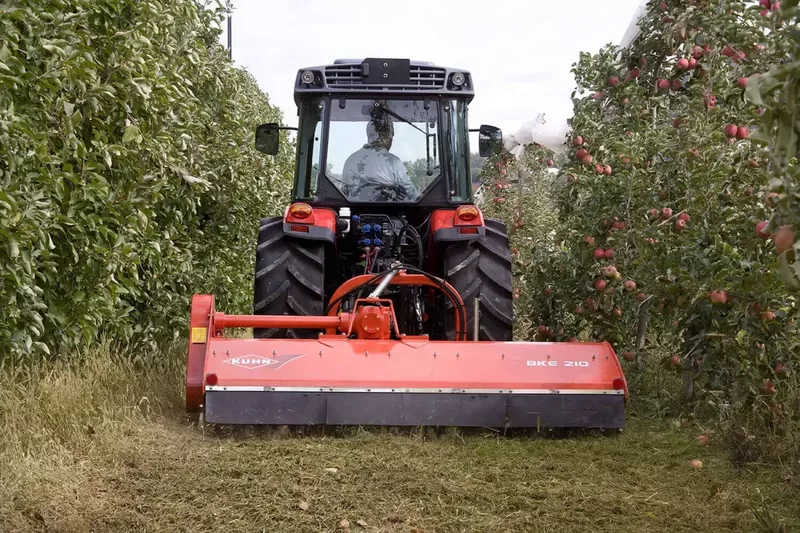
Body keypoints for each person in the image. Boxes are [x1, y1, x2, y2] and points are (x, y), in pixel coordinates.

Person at [341, 113, 420, 201]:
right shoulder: (392, 161)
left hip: (354, 211)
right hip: (386, 211)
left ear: (369, 135)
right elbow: (409, 191)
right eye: (391, 136)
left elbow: (344, 191)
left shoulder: (350, 160)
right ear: (387, 136)